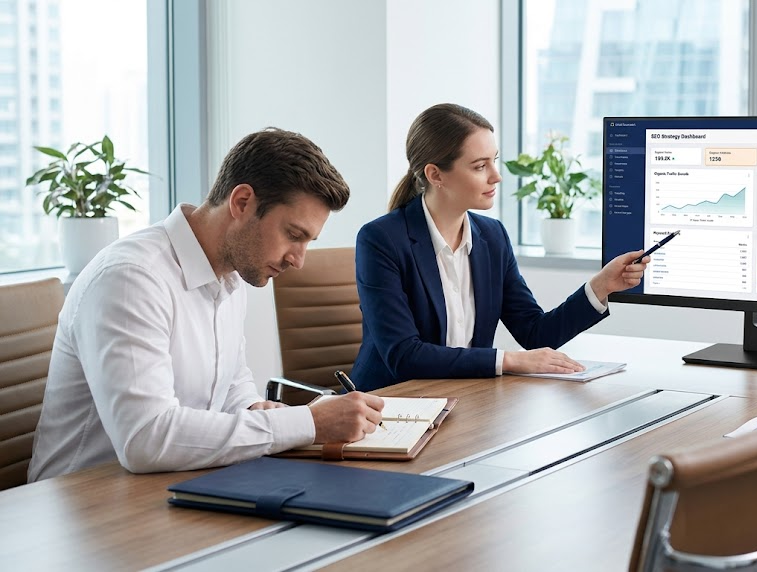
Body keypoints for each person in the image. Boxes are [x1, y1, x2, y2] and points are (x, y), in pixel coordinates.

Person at [29, 128, 385, 481]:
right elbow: (146, 438)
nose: (299, 260)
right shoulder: (131, 278)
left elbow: (232, 383)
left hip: (176, 485)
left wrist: (252, 408)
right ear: (242, 202)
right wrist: (306, 422)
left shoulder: (230, 275)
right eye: (294, 235)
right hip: (84, 505)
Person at [351, 103, 648, 391]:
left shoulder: (492, 237)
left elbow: (534, 332)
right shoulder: (380, 240)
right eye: (480, 166)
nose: (496, 175)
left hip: (465, 399)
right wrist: (509, 360)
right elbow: (404, 356)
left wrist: (600, 287)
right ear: (435, 175)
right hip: (391, 405)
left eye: (494, 160)